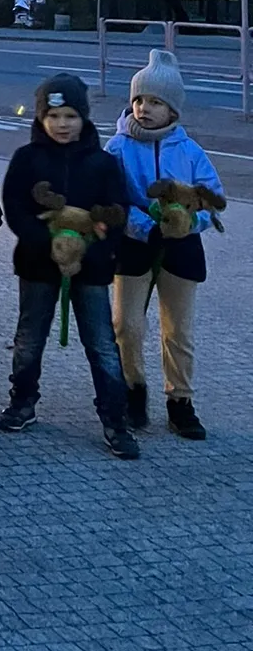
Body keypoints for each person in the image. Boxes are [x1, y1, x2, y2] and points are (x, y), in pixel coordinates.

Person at [0, 74, 137, 457]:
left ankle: (114, 418)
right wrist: (46, 244)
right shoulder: (28, 159)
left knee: (102, 343)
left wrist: (94, 247)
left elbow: (117, 211)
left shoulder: (103, 163)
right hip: (38, 265)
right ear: (41, 117)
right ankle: (22, 401)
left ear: (84, 118)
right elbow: (16, 209)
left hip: (90, 269)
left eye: (70, 115)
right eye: (54, 115)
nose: (62, 124)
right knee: (29, 337)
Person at [106, 49, 223, 440]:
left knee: (179, 331)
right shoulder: (118, 148)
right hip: (135, 245)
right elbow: (112, 196)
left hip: (182, 250)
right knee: (126, 325)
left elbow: (211, 195)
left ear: (173, 110)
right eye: (139, 100)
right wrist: (142, 225)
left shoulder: (189, 151)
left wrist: (191, 223)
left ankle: (181, 401)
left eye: (155, 102)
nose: (144, 108)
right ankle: (133, 389)